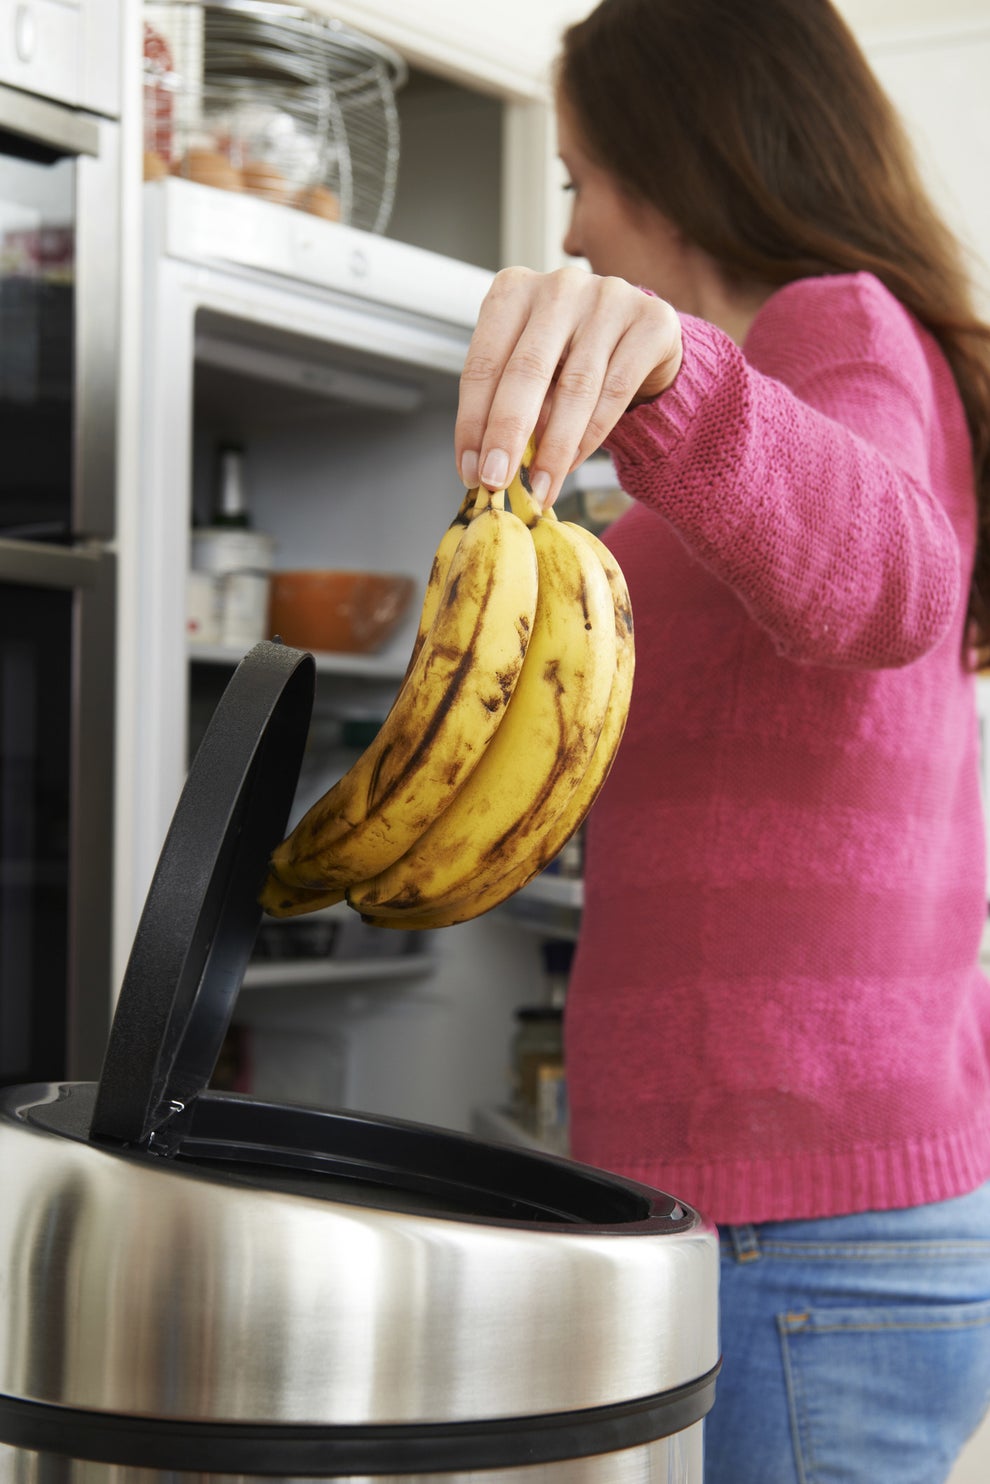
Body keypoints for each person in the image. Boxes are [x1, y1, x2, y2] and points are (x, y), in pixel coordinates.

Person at [454, 1, 990, 1479]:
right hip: (775, 1219)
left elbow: (891, 576)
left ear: (671, 160)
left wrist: (672, 372)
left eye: (574, 177)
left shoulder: (838, 324)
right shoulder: (796, 395)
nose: (573, 230)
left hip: (795, 1230)